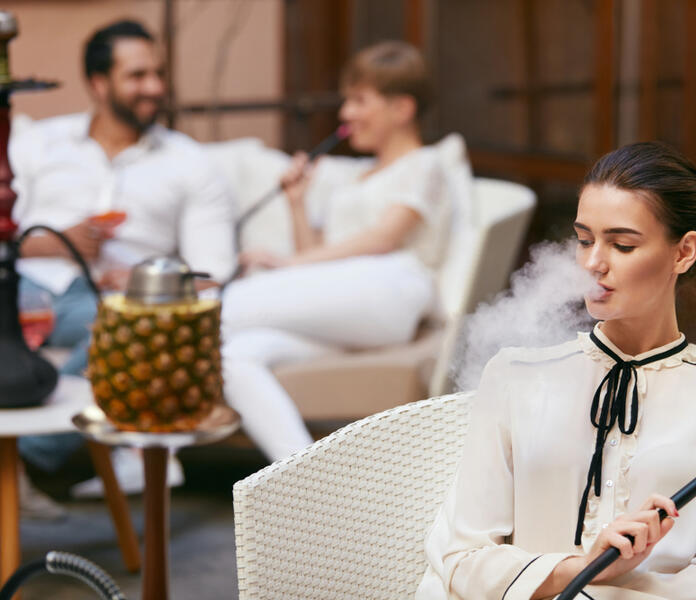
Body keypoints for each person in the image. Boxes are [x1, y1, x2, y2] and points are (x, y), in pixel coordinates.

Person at [416, 142, 696, 600]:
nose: (592, 263)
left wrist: (604, 588)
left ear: (684, 252)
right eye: (584, 240)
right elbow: (461, 557)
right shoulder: (515, 374)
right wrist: (585, 569)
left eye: (622, 244)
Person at [11, 20, 236, 500]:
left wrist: (145, 283)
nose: (154, 87)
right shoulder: (38, 143)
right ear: (98, 83)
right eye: (137, 76)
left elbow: (213, 272)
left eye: (158, 74)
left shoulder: (189, 162)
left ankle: (23, 465)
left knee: (118, 333)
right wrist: (52, 244)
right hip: (27, 284)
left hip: (110, 304)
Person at [221, 41, 451, 461]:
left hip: (394, 289)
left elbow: (382, 239)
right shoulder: (357, 177)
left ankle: (193, 320)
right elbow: (319, 258)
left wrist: (286, 265)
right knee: (234, 356)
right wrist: (297, 203)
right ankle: (302, 482)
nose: (345, 113)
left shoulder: (426, 164)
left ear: (401, 109)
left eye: (359, 100)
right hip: (349, 308)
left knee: (224, 310)